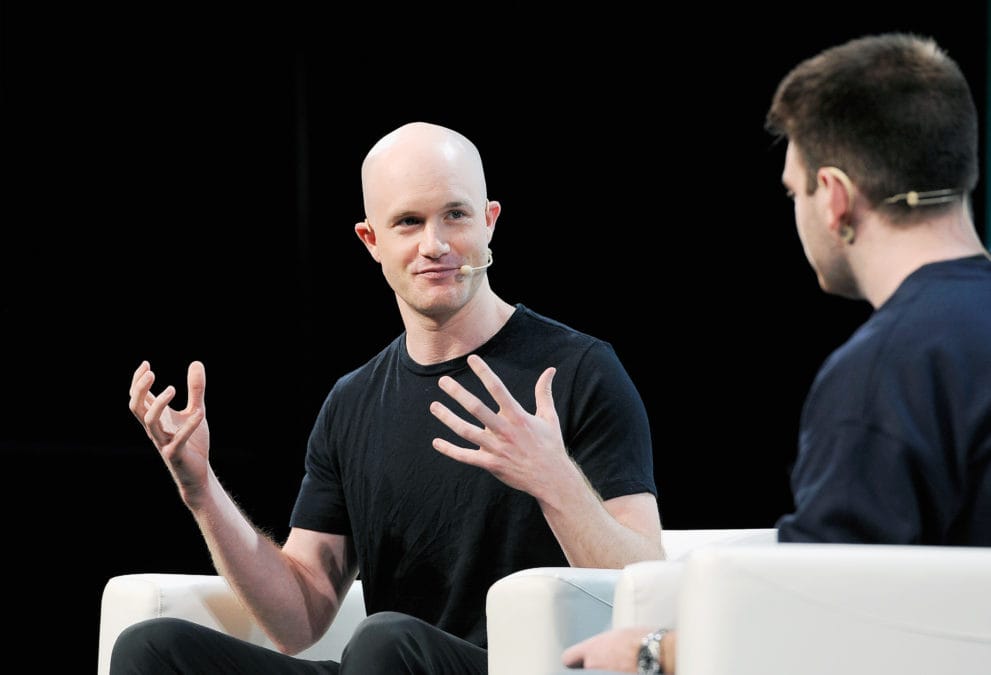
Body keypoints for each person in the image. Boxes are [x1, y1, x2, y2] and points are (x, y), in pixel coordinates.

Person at [111, 121, 664, 674]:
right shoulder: (353, 403)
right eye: (408, 222)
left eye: (456, 214)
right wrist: (202, 489)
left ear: (489, 221)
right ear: (371, 241)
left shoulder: (579, 369)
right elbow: (299, 620)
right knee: (153, 649)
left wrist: (555, 478)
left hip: (524, 666)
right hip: (384, 663)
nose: (436, 245)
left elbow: (642, 584)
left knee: (385, 641)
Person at [561, 31, 991, 674]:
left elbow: (814, 622)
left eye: (795, 194)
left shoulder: (885, 373)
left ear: (836, 197)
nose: (798, 212)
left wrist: (656, 654)